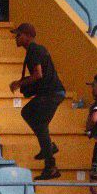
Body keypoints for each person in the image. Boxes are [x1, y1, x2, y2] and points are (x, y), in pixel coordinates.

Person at [8, 23, 64, 180]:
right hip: (52, 93)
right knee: (31, 116)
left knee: (36, 121)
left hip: (51, 93)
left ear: (27, 35)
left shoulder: (33, 50)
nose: (16, 38)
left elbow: (38, 74)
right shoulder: (37, 49)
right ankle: (48, 148)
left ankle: (50, 163)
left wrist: (19, 83)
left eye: (18, 35)